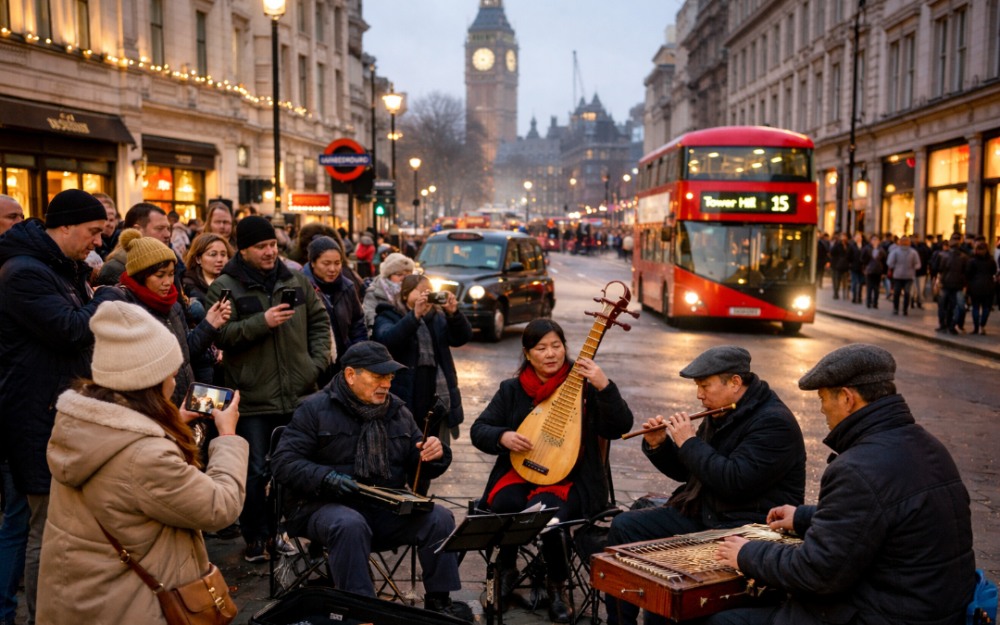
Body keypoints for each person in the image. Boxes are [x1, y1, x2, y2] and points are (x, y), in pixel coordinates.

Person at [710, 344, 976, 625]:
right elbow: (881, 514)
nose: (821, 409)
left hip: (886, 615)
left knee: (720, 620)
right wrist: (803, 517)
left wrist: (748, 554)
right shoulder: (928, 445)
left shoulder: (857, 468)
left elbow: (816, 573)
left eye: (823, 399)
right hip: (936, 609)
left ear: (848, 399)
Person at [36, 300, 248, 625]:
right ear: (149, 381)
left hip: (83, 598)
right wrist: (228, 435)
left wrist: (173, 423)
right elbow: (219, 507)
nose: (174, 384)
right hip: (132, 606)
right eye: (171, 375)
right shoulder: (145, 456)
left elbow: (125, 467)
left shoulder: (83, 422)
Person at [271, 342, 473, 622]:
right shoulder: (314, 409)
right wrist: (326, 478)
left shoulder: (398, 411)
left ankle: (439, 603)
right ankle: (362, 612)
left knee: (438, 517)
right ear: (351, 375)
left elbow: (417, 463)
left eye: (389, 377)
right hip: (321, 506)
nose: (386, 384)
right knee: (349, 524)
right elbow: (283, 463)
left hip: (383, 508)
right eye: (378, 376)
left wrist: (436, 453)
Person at [604, 346, 806, 625]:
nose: (699, 395)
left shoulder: (773, 422)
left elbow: (734, 483)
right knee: (625, 526)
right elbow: (693, 473)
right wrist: (660, 445)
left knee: (666, 579)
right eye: (697, 386)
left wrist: (688, 442)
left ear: (735, 382)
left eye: (704, 386)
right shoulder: (720, 411)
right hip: (707, 512)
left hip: (747, 525)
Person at [0, 190, 126, 624]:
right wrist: (106, 297)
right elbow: (71, 330)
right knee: (44, 527)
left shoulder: (59, 267)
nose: (98, 242)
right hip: (37, 415)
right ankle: (42, 617)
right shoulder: (22, 272)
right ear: (65, 226)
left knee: (59, 525)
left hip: (62, 410)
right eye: (93, 232)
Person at [471, 319, 634, 623]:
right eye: (541, 348)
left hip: (572, 479)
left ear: (564, 347)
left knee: (547, 515)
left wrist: (605, 386)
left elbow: (620, 426)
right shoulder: (511, 389)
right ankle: (507, 569)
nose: (550, 354)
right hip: (521, 470)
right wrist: (503, 436)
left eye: (556, 346)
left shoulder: (586, 386)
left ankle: (556, 585)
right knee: (504, 503)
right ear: (527, 353)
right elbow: (479, 429)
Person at [205, 215, 331, 562]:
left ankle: (283, 533)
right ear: (244, 249)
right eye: (261, 246)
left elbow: (320, 322)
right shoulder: (225, 286)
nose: (270, 251)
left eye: (273, 244)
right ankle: (256, 537)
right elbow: (221, 335)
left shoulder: (295, 279)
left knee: (294, 469)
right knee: (255, 471)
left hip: (299, 393)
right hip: (254, 398)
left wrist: (314, 364)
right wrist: (262, 322)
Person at [115, 229, 230, 406]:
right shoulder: (128, 309)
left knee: (229, 406)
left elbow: (186, 353)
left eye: (171, 274)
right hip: (158, 407)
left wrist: (209, 324)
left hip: (187, 398)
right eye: (160, 275)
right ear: (140, 275)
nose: (168, 282)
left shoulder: (173, 306)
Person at [372, 275, 472, 470]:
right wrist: (414, 316)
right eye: (421, 291)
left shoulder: (437, 317)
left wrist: (454, 314)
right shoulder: (388, 315)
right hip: (404, 397)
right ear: (406, 294)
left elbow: (461, 337)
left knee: (428, 456)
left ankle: (422, 485)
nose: (427, 295)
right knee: (403, 451)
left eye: (430, 291)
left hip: (434, 398)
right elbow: (386, 341)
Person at [302, 236, 366, 377]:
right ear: (313, 262)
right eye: (326, 263)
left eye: (337, 263)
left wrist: (358, 357)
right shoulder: (301, 288)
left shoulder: (347, 287)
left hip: (344, 365)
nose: (333, 269)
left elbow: (357, 324)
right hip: (313, 366)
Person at [96, 203, 183, 287]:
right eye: (159, 228)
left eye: (168, 229)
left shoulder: (165, 260)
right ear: (136, 230)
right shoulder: (116, 269)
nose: (167, 234)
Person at [363, 252, 415, 331]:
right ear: (388, 275)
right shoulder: (373, 293)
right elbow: (370, 321)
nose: (403, 278)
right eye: (399, 274)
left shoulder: (414, 291)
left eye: (407, 274)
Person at [182, 233, 233, 307]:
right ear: (198, 259)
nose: (219, 259)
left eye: (223, 254)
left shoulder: (234, 281)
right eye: (213, 254)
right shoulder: (188, 285)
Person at [937, 234, 969, 334]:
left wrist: (940, 281)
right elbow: (966, 272)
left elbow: (941, 269)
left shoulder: (944, 255)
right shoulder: (964, 257)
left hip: (946, 283)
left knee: (943, 305)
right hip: (958, 284)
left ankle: (943, 325)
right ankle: (953, 325)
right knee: (956, 306)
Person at [966, 241, 998, 334]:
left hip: (975, 286)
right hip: (988, 286)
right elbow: (994, 271)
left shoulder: (972, 261)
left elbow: (968, 274)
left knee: (975, 307)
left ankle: (976, 327)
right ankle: (982, 325)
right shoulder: (991, 261)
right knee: (986, 307)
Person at [887, 235, 921, 315]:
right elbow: (918, 264)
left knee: (900, 293)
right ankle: (901, 309)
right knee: (904, 293)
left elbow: (890, 263)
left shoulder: (911, 252)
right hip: (903, 275)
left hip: (904, 275)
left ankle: (899, 309)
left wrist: (895, 267)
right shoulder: (909, 252)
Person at [91, 193, 119, 259]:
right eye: (106, 219)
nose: (109, 224)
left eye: (111, 219)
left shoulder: (120, 237)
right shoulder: (89, 239)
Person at [860, 234, 883, 309]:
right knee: (869, 287)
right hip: (869, 270)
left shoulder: (881, 249)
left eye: (877, 240)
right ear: (871, 241)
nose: (875, 241)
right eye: (874, 240)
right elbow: (862, 258)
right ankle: (868, 302)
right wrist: (866, 265)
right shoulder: (867, 248)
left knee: (876, 288)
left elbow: (884, 258)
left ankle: (875, 303)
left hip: (878, 270)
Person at [829, 233, 849, 299]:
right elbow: (832, 253)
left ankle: (845, 295)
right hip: (836, 265)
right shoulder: (837, 245)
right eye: (842, 238)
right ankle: (836, 293)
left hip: (844, 266)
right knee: (836, 280)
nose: (843, 239)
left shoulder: (848, 245)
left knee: (844, 281)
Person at [913, 235, 931, 308]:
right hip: (913, 271)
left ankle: (919, 301)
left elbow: (929, 256)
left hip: (922, 271)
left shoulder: (923, 247)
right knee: (914, 288)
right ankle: (913, 301)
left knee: (920, 288)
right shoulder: (911, 247)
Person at [848, 233, 864, 303]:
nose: (858, 239)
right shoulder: (852, 246)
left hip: (862, 268)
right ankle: (854, 297)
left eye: (859, 237)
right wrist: (851, 263)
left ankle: (859, 297)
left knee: (861, 283)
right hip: (854, 267)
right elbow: (848, 256)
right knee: (854, 282)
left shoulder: (864, 245)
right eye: (857, 238)